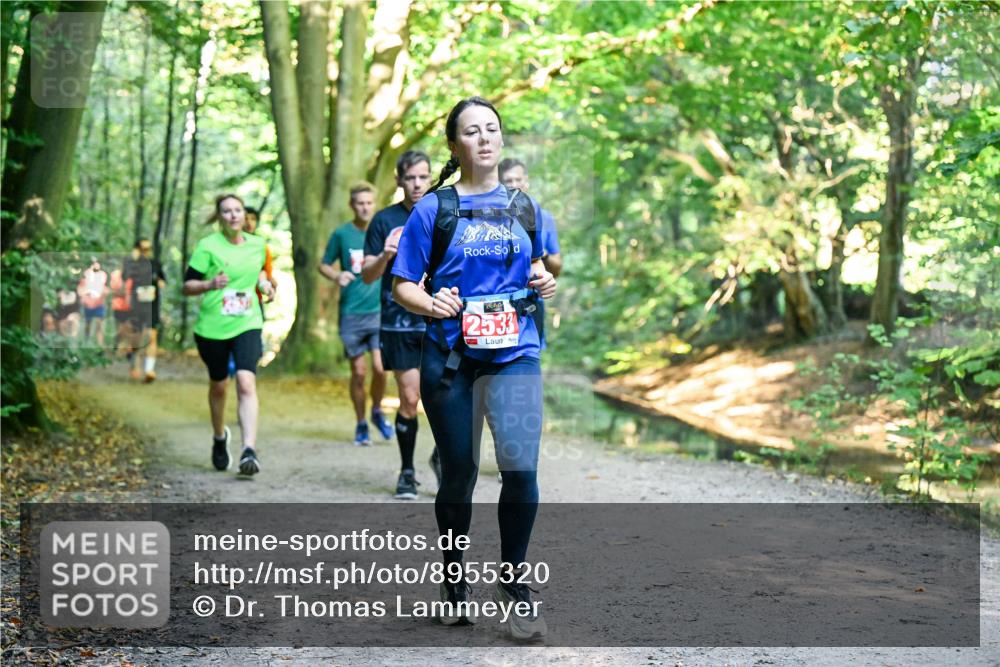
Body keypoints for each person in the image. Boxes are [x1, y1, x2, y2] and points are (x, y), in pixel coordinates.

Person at [391, 97, 556, 640]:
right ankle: (454, 580)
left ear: (501, 140)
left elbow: (536, 267)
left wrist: (543, 282)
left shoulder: (525, 207)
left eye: (491, 129)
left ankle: (513, 585)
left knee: (521, 471)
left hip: (514, 353)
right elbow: (403, 284)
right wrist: (429, 302)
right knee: (458, 473)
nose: (484, 138)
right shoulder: (432, 209)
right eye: (471, 131)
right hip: (450, 359)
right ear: (455, 144)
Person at [183, 194, 272, 476]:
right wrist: (210, 283)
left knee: (246, 383)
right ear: (219, 217)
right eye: (227, 211)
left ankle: (249, 450)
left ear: (245, 214)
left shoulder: (258, 244)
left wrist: (266, 285)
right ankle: (220, 437)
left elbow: (260, 274)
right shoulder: (208, 246)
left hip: (247, 321)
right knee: (219, 386)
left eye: (238, 210)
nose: (233, 215)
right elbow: (187, 286)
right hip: (212, 327)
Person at [361, 151, 433, 500]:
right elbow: (366, 275)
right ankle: (407, 471)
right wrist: (386, 255)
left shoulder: (442, 212)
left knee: (445, 398)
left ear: (432, 178)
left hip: (440, 319)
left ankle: (441, 457)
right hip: (398, 322)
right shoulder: (383, 220)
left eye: (423, 177)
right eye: (410, 178)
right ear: (399, 180)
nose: (417, 184)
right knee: (409, 396)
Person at [318, 182, 390, 447]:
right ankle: (361, 423)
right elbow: (323, 264)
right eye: (359, 203)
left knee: (382, 369)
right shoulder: (342, 234)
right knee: (359, 373)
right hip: (351, 312)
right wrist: (337, 275)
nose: (364, 207)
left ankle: (377, 410)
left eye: (369, 203)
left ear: (375, 204)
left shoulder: (383, 231)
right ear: (352, 205)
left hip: (379, 311)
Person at [123, 239, 166, 382]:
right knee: (137, 338)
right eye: (143, 248)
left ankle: (149, 370)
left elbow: (163, 281)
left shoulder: (155, 264)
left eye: (148, 248)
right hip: (136, 307)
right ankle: (134, 363)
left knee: (151, 336)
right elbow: (124, 277)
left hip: (152, 306)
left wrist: (159, 283)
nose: (146, 251)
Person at [78, 257, 109, 347]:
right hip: (88, 305)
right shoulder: (85, 278)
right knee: (88, 324)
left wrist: (104, 294)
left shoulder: (102, 276)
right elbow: (80, 290)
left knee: (100, 324)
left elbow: (105, 289)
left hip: (99, 304)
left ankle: (100, 345)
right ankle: (86, 340)